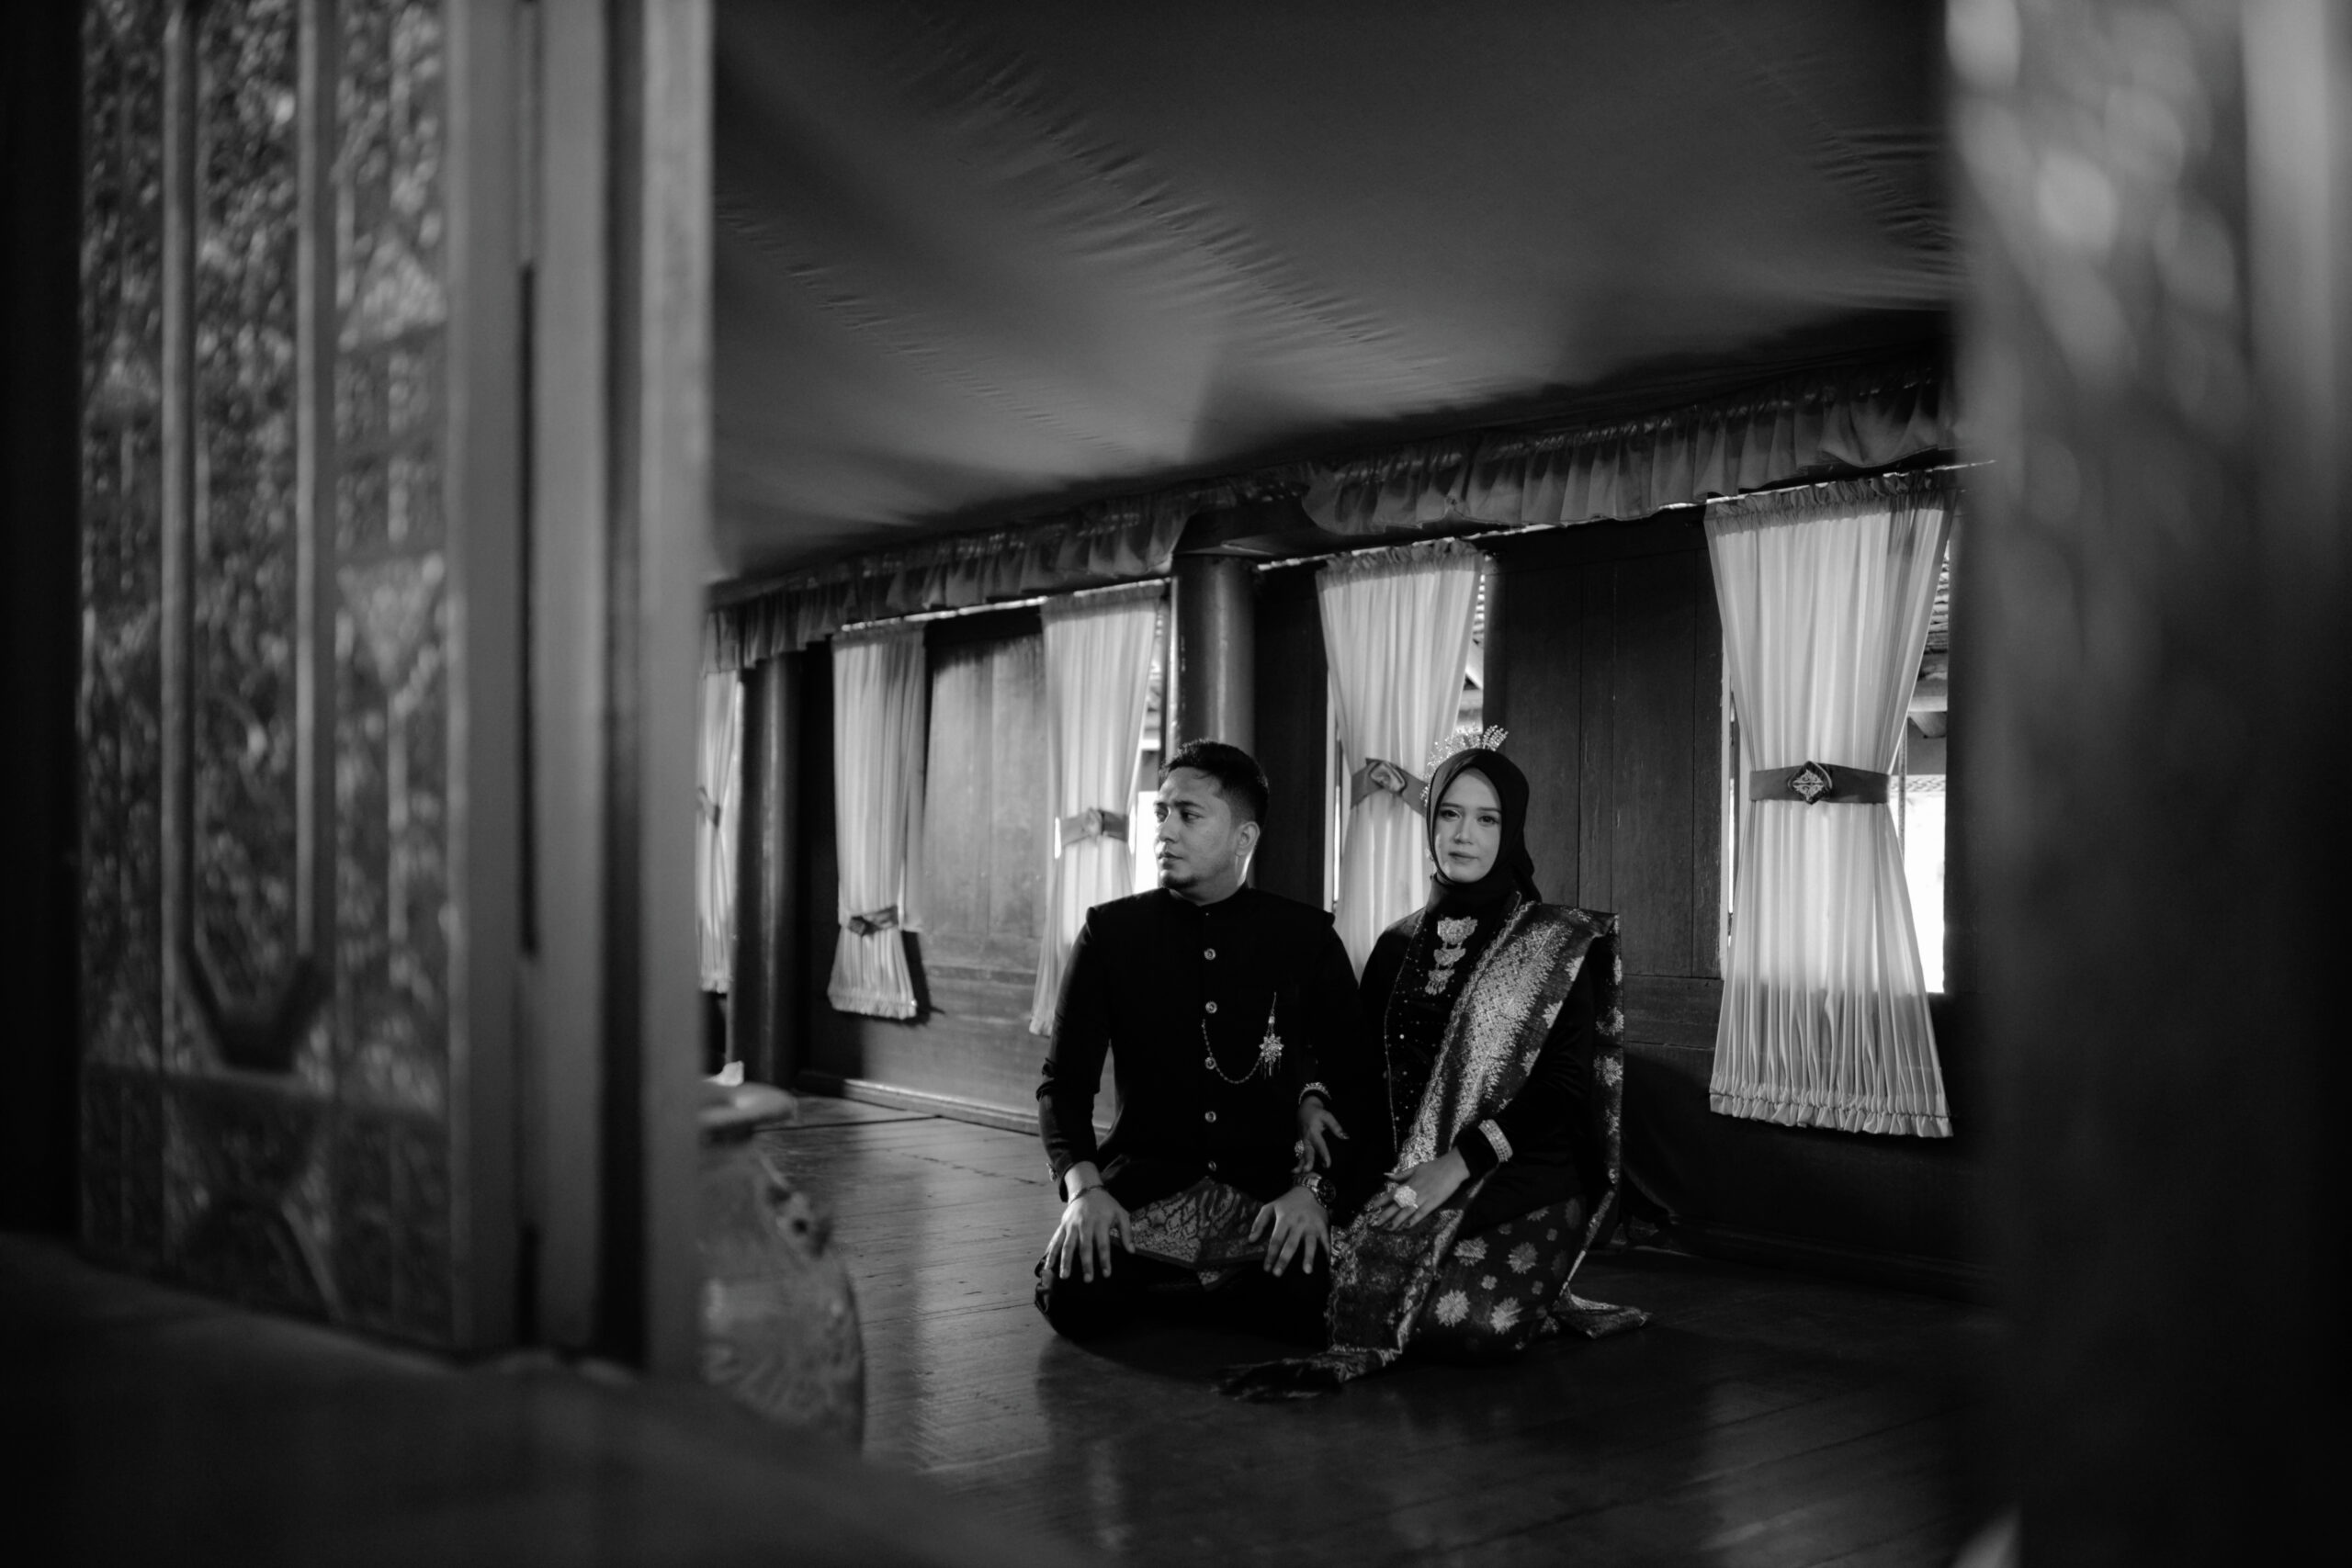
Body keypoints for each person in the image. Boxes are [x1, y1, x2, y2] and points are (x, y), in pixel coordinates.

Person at [1226, 731, 1643, 1397]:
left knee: (1475, 1324)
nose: (1463, 834)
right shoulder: (1395, 943)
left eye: (1486, 819)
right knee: (1280, 1280)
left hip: (1519, 1168)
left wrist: (1458, 1163)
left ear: (1511, 830)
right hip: (1401, 1165)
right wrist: (1320, 1169)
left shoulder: (1557, 944)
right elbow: (1361, 1076)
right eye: (1449, 813)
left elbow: (1562, 1092)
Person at [1035, 740, 1361, 1342]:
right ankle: (1207, 1289)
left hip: (1266, 1188)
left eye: (1189, 815)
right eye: (1161, 813)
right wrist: (1084, 1190)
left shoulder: (1305, 937)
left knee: (1308, 1301)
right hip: (1143, 1184)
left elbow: (1354, 1077)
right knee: (1074, 1298)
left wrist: (1314, 1192)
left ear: (1243, 838)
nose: (1165, 830)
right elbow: (1062, 1085)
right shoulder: (1110, 933)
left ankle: (1187, 1289)